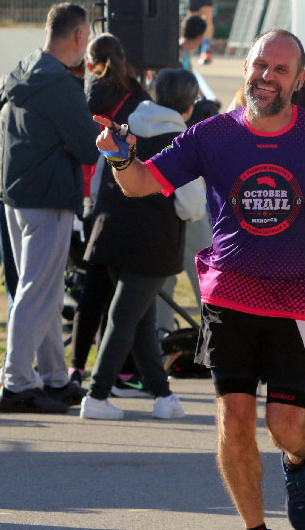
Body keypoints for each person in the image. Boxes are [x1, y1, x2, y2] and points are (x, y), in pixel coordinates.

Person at [94, 29, 305, 530]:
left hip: (301, 300)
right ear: (245, 67)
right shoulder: (213, 135)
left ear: (298, 80)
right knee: (233, 421)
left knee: (287, 427)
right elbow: (139, 183)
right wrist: (120, 155)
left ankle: (298, 462)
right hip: (230, 296)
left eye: (279, 69)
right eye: (259, 65)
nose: (266, 77)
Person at [79, 68, 206, 421]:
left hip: (112, 234)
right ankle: (97, 394)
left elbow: (102, 178)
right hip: (153, 243)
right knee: (124, 317)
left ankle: (163, 395)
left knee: (139, 320)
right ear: (190, 105)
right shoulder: (181, 142)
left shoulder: (127, 128)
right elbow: (192, 205)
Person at [0, 2, 100, 413]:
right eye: (86, 37)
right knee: (38, 291)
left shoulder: (23, 68)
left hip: (17, 194)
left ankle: (55, 378)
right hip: (49, 198)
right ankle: (17, 381)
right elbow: (89, 146)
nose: (86, 46)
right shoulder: (59, 83)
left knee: (46, 290)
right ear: (77, 36)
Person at [68, 33, 151, 388]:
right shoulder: (140, 97)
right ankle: (124, 370)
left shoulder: (80, 94)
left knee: (92, 288)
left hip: (84, 195)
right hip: (126, 193)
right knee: (128, 294)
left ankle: (75, 367)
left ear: (89, 62)